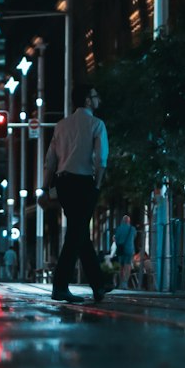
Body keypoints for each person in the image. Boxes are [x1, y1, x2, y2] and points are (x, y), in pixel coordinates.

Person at [43, 83, 113, 303]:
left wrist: (45, 188)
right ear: (87, 100)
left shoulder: (61, 126)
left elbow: (50, 160)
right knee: (76, 233)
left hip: (63, 185)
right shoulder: (96, 124)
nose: (98, 99)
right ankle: (60, 286)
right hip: (84, 183)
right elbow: (101, 159)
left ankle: (98, 285)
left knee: (79, 231)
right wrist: (98, 185)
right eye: (95, 96)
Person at [113, 212, 138, 288]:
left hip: (121, 249)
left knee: (121, 266)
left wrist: (118, 245)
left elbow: (116, 239)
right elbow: (134, 237)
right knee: (128, 265)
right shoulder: (132, 229)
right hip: (129, 249)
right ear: (128, 221)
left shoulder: (119, 228)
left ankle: (121, 282)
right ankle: (125, 282)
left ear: (123, 221)